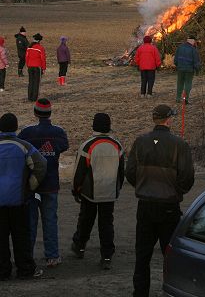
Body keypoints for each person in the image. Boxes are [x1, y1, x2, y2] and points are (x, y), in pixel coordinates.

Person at [126, 104, 194, 297]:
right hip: (169, 207)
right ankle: (173, 291)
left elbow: (130, 172)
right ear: (169, 119)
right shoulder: (179, 144)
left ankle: (140, 293)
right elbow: (187, 176)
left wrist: (143, 186)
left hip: (145, 206)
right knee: (171, 256)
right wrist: (175, 190)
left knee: (142, 257)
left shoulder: (140, 142)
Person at [18, 98, 69, 267]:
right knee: (50, 221)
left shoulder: (26, 133)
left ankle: (28, 256)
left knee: (30, 222)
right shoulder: (59, 132)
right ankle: (52, 256)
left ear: (35, 113)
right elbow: (64, 146)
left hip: (32, 185)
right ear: (50, 113)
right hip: (51, 183)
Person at [71, 113, 125, 270]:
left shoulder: (87, 145)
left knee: (86, 220)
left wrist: (76, 190)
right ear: (109, 126)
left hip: (90, 192)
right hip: (109, 192)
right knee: (106, 224)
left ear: (93, 126)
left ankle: (80, 247)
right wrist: (118, 187)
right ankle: (107, 256)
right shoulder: (117, 145)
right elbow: (122, 171)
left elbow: (78, 172)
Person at [0, 112, 47, 280]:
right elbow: (41, 165)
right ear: (15, 127)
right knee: (21, 237)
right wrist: (30, 186)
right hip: (19, 199)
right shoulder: (24, 146)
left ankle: (3, 271)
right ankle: (25, 269)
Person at [174, 35, 201, 104]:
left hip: (180, 69)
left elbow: (175, 59)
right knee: (188, 84)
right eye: (195, 41)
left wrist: (178, 65)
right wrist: (197, 71)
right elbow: (196, 62)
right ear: (193, 41)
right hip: (189, 70)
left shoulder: (180, 47)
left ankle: (178, 99)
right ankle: (185, 99)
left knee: (180, 83)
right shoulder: (193, 50)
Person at [26, 33, 46, 102]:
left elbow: (27, 57)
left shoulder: (29, 47)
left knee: (31, 82)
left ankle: (29, 97)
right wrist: (43, 68)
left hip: (30, 66)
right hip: (37, 67)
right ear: (39, 40)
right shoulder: (41, 48)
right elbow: (43, 59)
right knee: (36, 83)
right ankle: (34, 98)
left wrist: (28, 65)